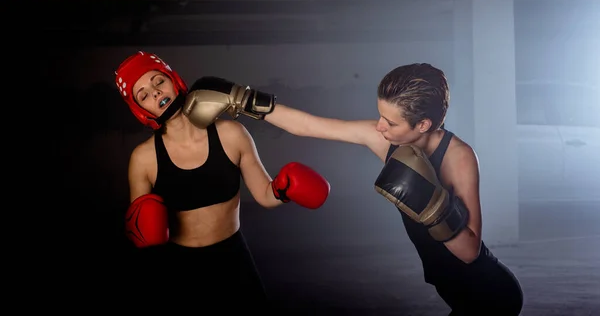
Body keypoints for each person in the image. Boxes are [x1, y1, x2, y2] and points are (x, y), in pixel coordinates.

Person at [189, 64, 524, 315]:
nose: (379, 127)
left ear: (422, 125)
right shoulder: (386, 138)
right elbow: (308, 126)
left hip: (490, 296)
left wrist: (432, 204)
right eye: (380, 116)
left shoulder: (460, 157)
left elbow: (469, 251)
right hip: (455, 294)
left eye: (390, 123)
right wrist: (246, 100)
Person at [114, 51, 330, 309]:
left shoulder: (231, 134)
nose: (156, 93)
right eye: (144, 95)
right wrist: (144, 232)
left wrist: (283, 190)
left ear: (173, 80)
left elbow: (263, 194)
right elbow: (138, 230)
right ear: (140, 110)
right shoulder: (144, 158)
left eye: (158, 81)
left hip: (233, 259)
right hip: (178, 267)